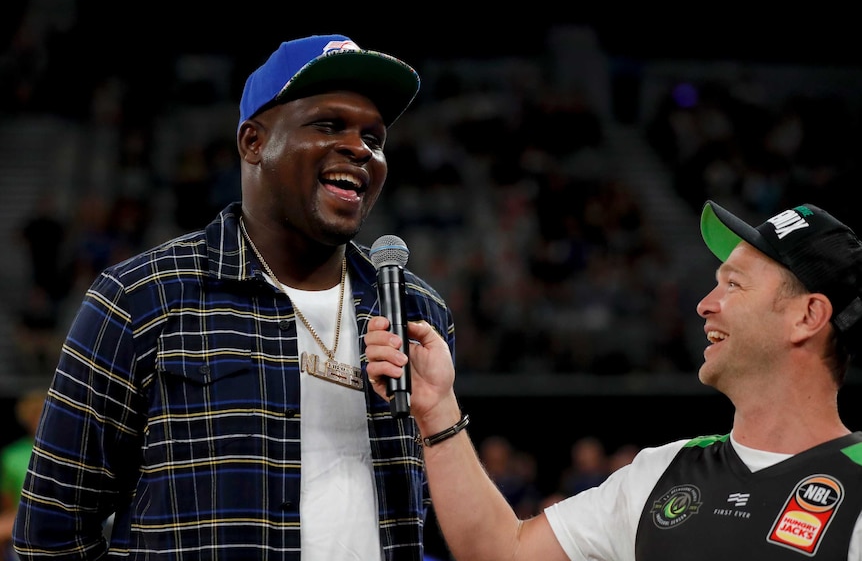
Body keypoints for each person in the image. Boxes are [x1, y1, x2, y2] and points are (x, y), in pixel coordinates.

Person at [13, 34, 455, 561]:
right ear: (253, 142)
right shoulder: (141, 298)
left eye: (375, 137)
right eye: (329, 125)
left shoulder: (415, 310)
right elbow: (51, 535)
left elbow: (441, 519)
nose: (361, 148)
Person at [365, 199, 862, 560]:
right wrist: (437, 410)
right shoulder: (661, 472)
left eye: (733, 284)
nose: (705, 304)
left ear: (807, 316)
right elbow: (502, 550)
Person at [0, 389, 46, 561]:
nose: (39, 420)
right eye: (35, 415)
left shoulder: (68, 451)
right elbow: (7, 499)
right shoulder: (11, 455)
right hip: (20, 518)